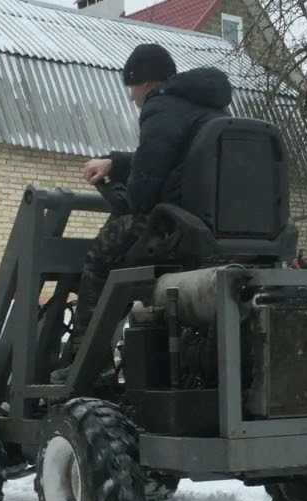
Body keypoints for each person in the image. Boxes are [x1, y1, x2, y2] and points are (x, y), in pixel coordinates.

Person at [53, 43, 233, 383]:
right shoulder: (212, 109)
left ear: (146, 84)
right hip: (220, 228)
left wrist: (125, 190)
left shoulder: (159, 108)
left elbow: (141, 193)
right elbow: (170, 159)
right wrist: (116, 163)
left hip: (178, 226)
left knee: (100, 258)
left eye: (132, 88)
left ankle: (87, 364)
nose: (132, 97)